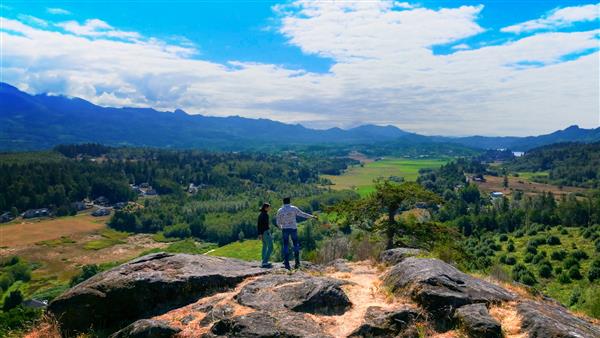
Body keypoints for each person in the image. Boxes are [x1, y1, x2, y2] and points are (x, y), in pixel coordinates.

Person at [276, 197, 316, 270]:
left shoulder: (280, 210)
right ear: (289, 202)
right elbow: (302, 214)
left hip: (285, 229)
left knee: (285, 245)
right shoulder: (293, 208)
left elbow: (278, 221)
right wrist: (312, 216)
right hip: (293, 228)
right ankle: (297, 262)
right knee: (295, 244)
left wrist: (281, 227)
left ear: (283, 202)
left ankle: (286, 262)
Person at [257, 202, 273, 268]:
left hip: (262, 233)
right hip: (266, 232)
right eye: (269, 207)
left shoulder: (261, 214)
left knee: (265, 246)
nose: (270, 208)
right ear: (266, 208)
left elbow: (258, 225)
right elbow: (262, 225)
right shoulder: (265, 215)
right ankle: (265, 262)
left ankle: (263, 261)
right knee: (271, 247)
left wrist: (260, 234)